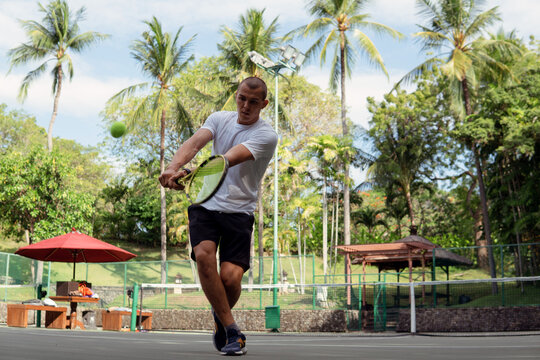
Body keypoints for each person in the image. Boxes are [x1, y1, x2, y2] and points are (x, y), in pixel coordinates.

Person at [159, 77, 277, 356]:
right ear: (236, 96)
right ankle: (232, 329)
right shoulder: (218, 118)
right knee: (203, 255)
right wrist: (174, 166)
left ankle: (220, 316)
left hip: (239, 211)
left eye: (253, 102)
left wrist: (188, 174)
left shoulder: (266, 135)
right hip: (206, 205)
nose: (246, 106)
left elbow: (226, 160)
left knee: (230, 280)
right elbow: (195, 142)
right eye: (241, 98)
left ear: (264, 104)